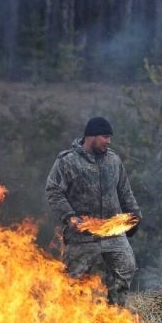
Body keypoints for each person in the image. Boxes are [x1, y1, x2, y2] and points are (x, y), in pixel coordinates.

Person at [45, 116, 142, 306]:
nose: (109, 141)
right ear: (91, 136)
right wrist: (69, 217)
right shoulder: (68, 161)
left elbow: (124, 191)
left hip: (113, 232)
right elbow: (54, 191)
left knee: (126, 268)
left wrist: (135, 215)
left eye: (109, 137)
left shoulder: (113, 160)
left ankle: (115, 314)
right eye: (105, 137)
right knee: (74, 282)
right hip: (82, 235)